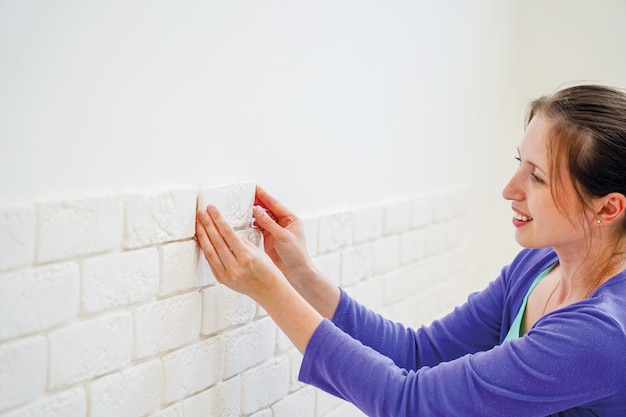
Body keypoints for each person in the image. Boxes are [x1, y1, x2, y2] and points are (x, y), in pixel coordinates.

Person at [195, 84, 626, 417]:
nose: (509, 190)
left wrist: (268, 291)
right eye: (519, 164)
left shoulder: (601, 335)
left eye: (537, 177)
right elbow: (417, 354)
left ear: (607, 207)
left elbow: (411, 404)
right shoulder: (537, 265)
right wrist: (301, 277)